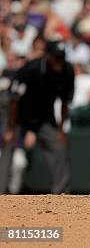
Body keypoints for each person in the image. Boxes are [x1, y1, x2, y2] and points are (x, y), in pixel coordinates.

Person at [0, 40, 74, 194]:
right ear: (47, 56)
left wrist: (61, 129)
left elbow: (65, 102)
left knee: (59, 145)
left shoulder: (67, 71)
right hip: (19, 114)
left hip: (44, 117)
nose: (58, 61)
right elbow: (14, 99)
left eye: (61, 57)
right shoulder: (32, 68)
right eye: (56, 57)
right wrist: (10, 128)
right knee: (8, 145)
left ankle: (61, 193)